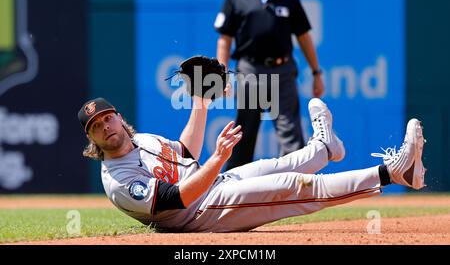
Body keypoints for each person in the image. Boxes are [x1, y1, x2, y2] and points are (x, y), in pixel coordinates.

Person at [78, 96, 426, 233]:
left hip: (214, 187)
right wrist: (217, 159)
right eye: (96, 127)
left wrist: (200, 102)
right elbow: (176, 199)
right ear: (92, 140)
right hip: (201, 214)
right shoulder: (118, 178)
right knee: (294, 186)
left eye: (108, 118)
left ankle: (323, 148)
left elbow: (184, 152)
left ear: (119, 118)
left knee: (278, 163)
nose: (105, 127)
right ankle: (394, 172)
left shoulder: (143, 140)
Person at [215, 0, 324, 170]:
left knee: (290, 132)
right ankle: (232, 189)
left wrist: (316, 72)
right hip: (250, 70)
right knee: (244, 132)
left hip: (282, 70)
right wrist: (223, 74)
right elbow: (224, 39)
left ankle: (295, 186)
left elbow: (303, 36)